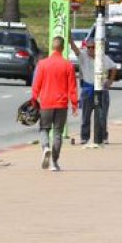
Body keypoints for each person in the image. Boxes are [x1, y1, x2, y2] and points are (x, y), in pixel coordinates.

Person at [31, 36, 78, 171]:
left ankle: (45, 147)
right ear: (63, 48)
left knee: (44, 129)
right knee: (58, 132)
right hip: (61, 104)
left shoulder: (42, 64)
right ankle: (54, 162)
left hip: (46, 103)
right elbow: (72, 87)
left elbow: (36, 84)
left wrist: (34, 99)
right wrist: (74, 104)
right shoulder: (68, 65)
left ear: (52, 47)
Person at [69, 36, 118, 147]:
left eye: (93, 47)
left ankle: (103, 136)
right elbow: (75, 49)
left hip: (101, 89)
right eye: (89, 47)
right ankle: (84, 137)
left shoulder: (103, 58)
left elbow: (114, 67)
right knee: (86, 116)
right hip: (88, 89)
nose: (90, 50)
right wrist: (70, 40)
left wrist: (110, 81)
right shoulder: (83, 57)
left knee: (102, 115)